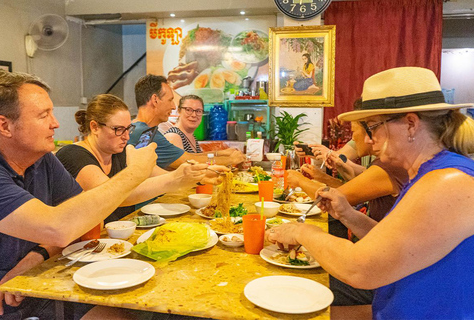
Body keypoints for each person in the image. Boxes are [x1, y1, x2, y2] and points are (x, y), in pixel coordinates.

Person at [268, 66, 474, 319]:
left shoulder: (448, 181)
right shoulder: (426, 173)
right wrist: (349, 215)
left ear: (411, 124)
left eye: (373, 126)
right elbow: (396, 244)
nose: (368, 139)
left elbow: (360, 269)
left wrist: (302, 231)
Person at [0, 70, 162, 318]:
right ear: (4, 125)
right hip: (4, 301)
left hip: (39, 282)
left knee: (133, 308)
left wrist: (35, 257)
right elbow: (58, 227)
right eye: (43, 115)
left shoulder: (43, 160)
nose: (56, 123)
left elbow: (88, 220)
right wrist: (135, 172)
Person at [289, 119, 408, 309]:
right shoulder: (391, 164)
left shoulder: (392, 166)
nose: (363, 140)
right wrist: (327, 178)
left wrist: (299, 181)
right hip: (373, 257)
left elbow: (344, 196)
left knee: (300, 284)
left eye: (354, 132)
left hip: (382, 277)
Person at [56, 94, 223, 224]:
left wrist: (200, 175)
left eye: (129, 129)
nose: (126, 136)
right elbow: (117, 196)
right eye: (118, 129)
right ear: (94, 127)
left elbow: (159, 175)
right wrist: (176, 178)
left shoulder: (119, 151)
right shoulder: (73, 155)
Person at [128, 75, 245, 169]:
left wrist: (224, 154)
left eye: (198, 111)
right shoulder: (145, 133)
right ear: (155, 100)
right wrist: (230, 160)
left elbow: (189, 157)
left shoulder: (141, 129)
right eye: (170, 100)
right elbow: (187, 161)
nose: (173, 107)